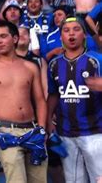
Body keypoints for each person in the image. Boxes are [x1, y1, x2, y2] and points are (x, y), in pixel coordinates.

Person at [0, 21, 48, 183]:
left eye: (3, 36)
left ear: (15, 38)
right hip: (6, 132)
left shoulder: (30, 67)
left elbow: (40, 100)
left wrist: (41, 129)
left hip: (33, 130)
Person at [47, 17, 102, 182]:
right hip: (66, 134)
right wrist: (48, 120)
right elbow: (53, 94)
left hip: (95, 133)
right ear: (61, 37)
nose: (71, 33)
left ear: (84, 35)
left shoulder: (97, 60)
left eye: (76, 29)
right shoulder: (54, 64)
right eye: (66, 30)